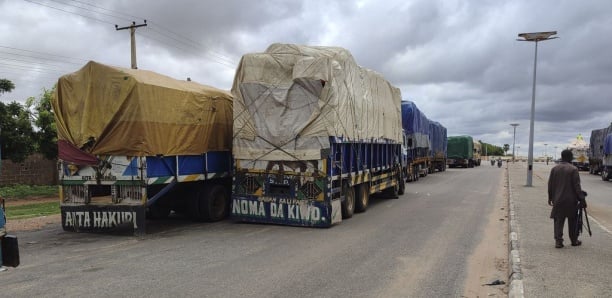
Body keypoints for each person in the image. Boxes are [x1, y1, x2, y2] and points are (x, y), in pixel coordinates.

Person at [548, 149, 587, 248]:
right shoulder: (573, 169)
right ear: (570, 157)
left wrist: (550, 197)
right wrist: (582, 199)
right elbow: (577, 187)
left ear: (561, 157)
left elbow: (550, 185)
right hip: (571, 201)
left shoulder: (555, 169)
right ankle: (574, 240)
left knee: (558, 221)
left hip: (558, 199)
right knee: (573, 221)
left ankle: (558, 241)